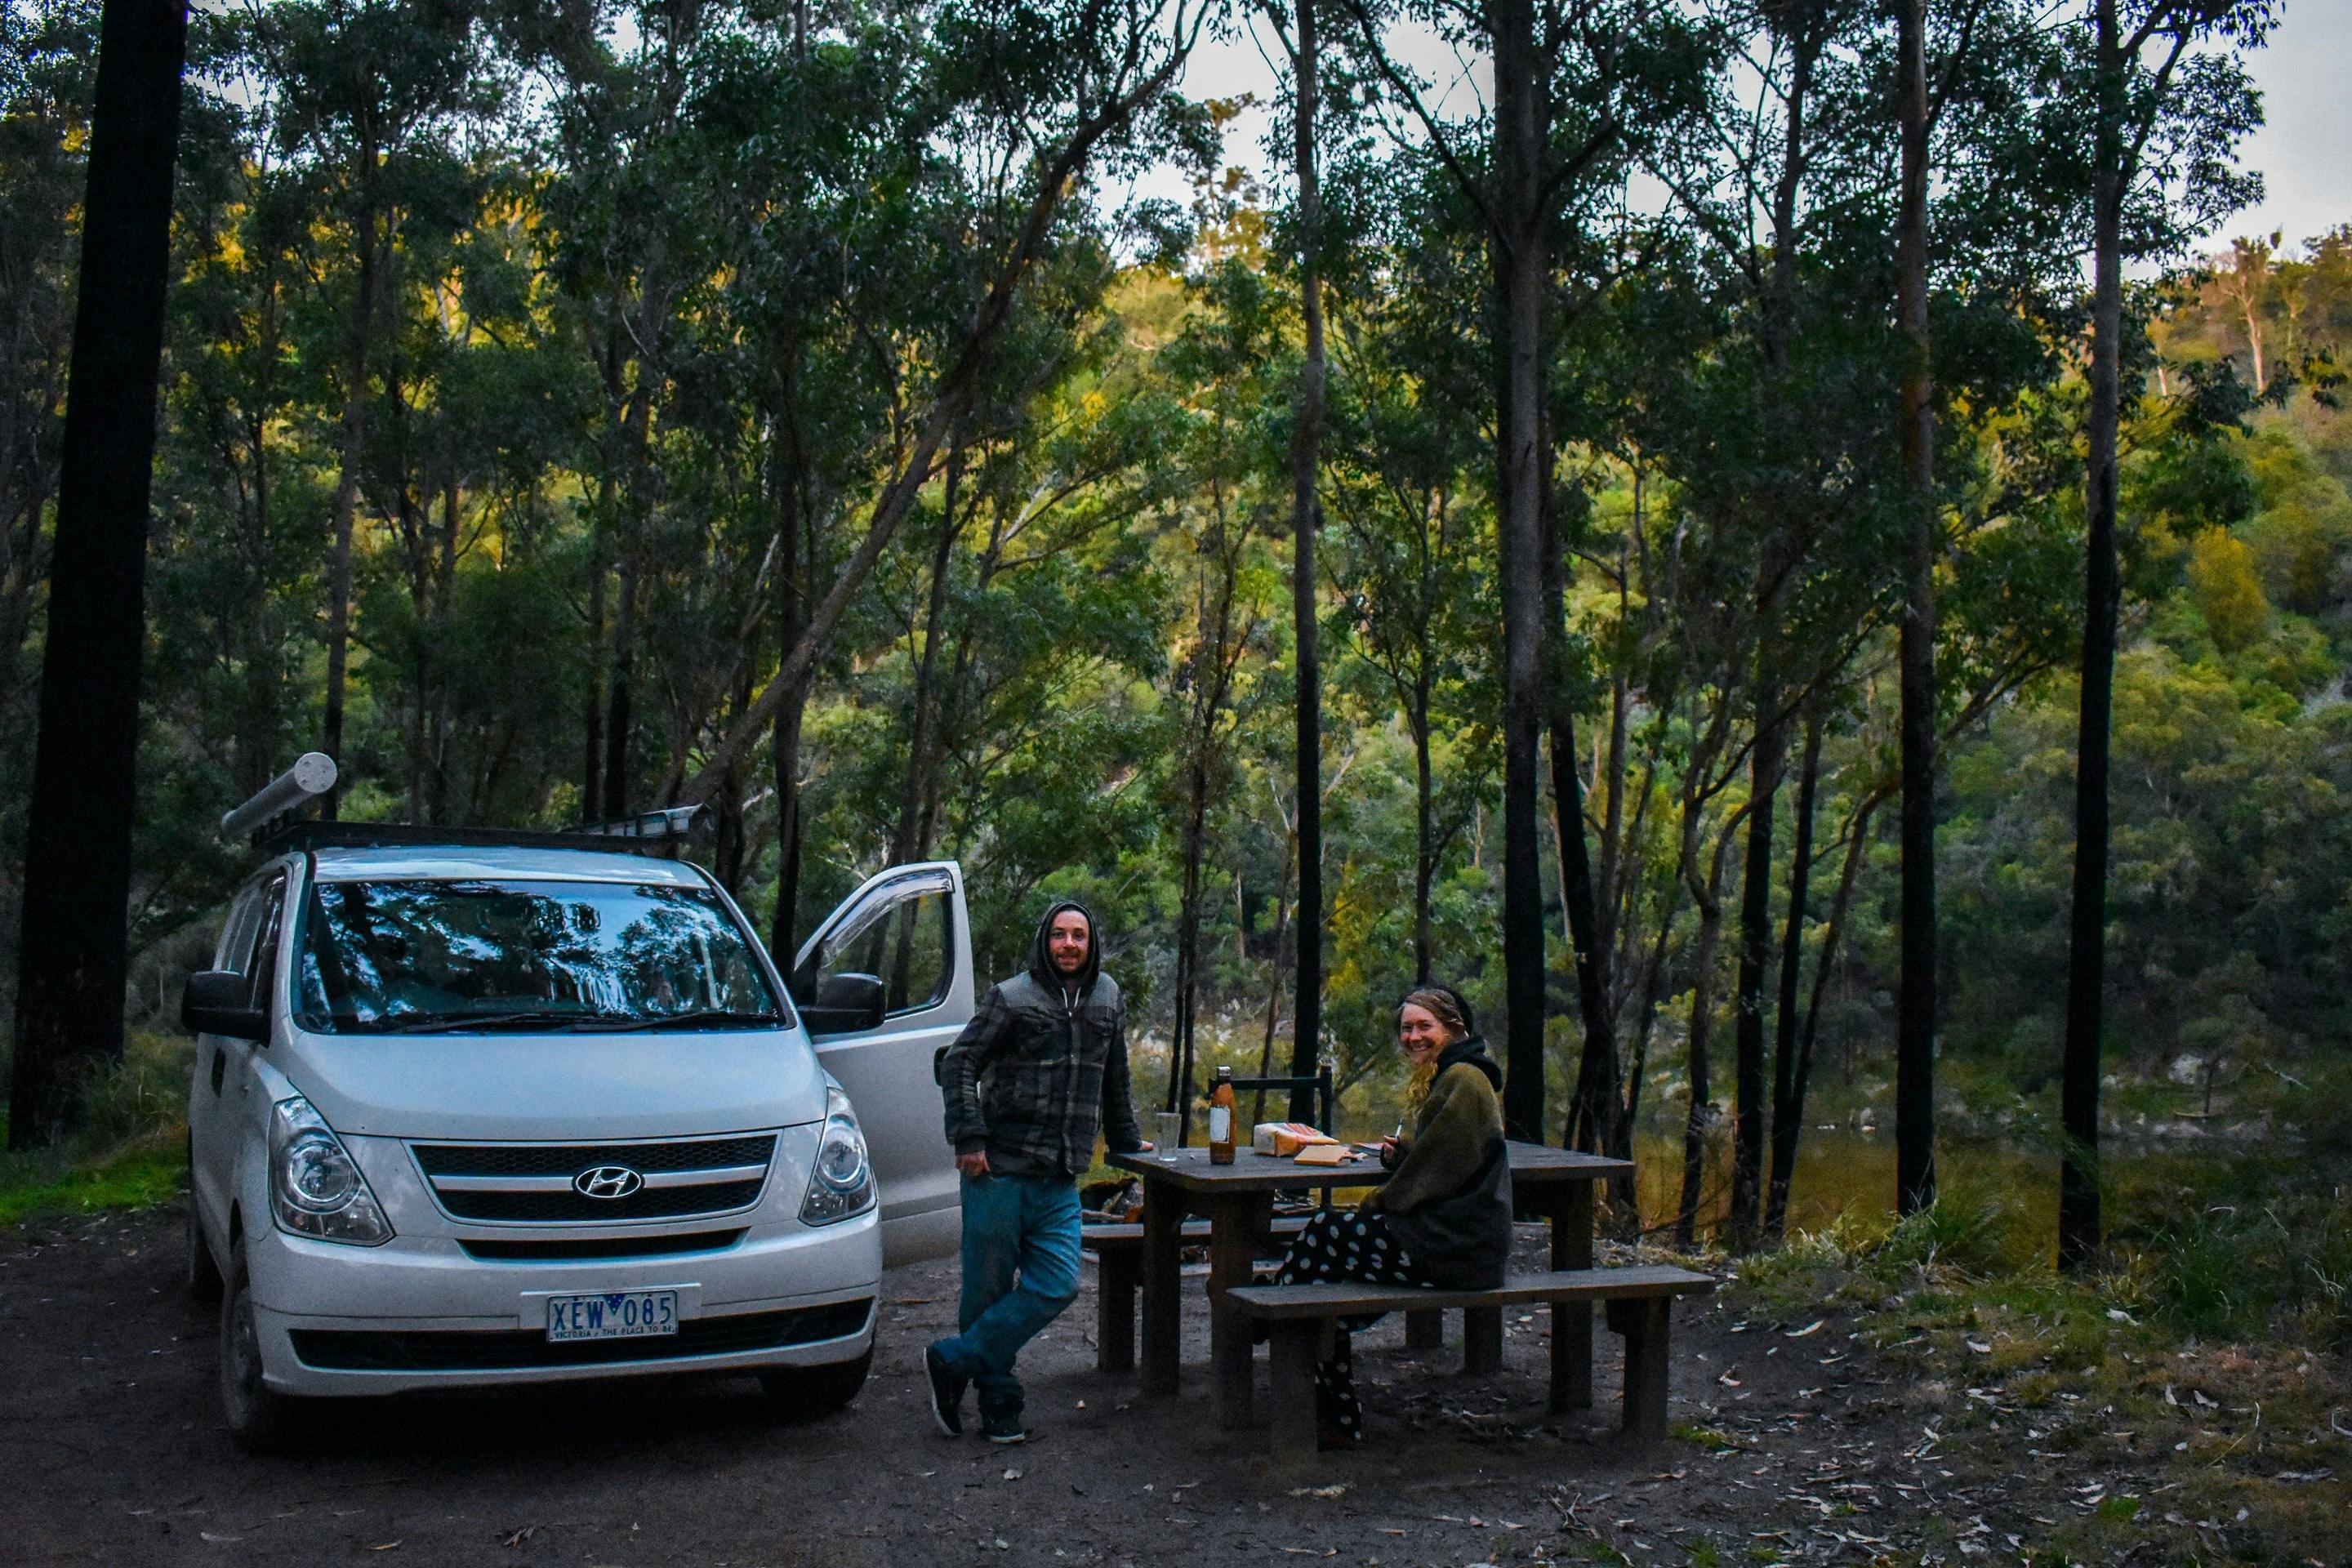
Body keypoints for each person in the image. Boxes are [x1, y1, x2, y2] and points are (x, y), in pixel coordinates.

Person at [927, 900, 1149, 1444]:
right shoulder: (1012, 997)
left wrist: (1124, 1143)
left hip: (1059, 1176)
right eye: (1059, 935)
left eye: (1079, 936)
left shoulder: (1108, 998)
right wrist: (970, 1136)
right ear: (1044, 941)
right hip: (998, 1170)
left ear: (1091, 943)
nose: (1069, 945)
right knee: (988, 1291)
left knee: (1057, 1285)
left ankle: (953, 1360)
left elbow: (1113, 1078)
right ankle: (1000, 1404)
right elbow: (960, 1062)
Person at [1266, 983, 1512, 1449]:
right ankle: (1336, 1420)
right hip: (1448, 1240)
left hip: (1459, 1249)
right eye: (1407, 1028)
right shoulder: (1453, 1075)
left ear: (1454, 1028)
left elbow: (1431, 1176)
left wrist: (1375, 1201)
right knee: (1321, 1290)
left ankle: (1267, 1314)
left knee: (1323, 1231)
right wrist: (1406, 1154)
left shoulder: (1465, 1082)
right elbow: (1440, 1159)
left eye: (1425, 1026)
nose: (1413, 1037)